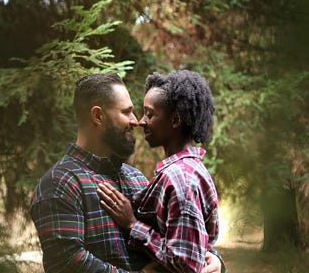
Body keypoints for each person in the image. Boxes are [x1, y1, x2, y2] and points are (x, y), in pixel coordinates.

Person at [29, 72, 222, 273]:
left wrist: (214, 261)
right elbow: (66, 263)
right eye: (126, 112)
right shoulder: (59, 183)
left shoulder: (136, 179)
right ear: (98, 116)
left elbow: (179, 239)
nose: (136, 121)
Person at [97, 70, 224, 273]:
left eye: (150, 114)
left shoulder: (179, 179)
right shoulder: (191, 169)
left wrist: (132, 224)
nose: (140, 121)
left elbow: (186, 263)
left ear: (175, 120)